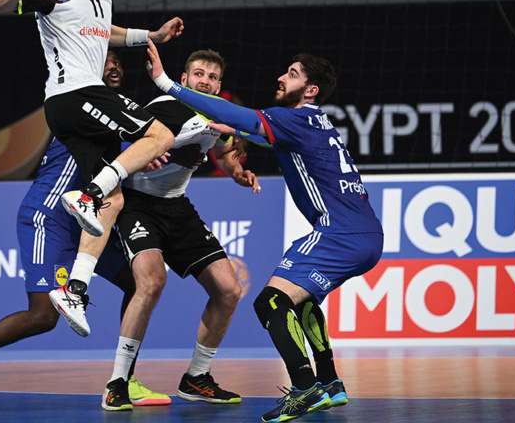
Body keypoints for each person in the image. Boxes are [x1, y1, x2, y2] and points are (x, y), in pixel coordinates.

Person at [145, 40, 384, 423]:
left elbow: (240, 114)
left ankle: (304, 387)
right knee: (303, 300)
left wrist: (168, 84)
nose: (281, 77)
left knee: (270, 302)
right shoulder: (315, 122)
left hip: (338, 233)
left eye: (292, 74)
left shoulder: (293, 118)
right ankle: (329, 382)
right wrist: (237, 130)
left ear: (310, 90)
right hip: (367, 236)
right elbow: (271, 137)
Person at [0, 0, 182, 336]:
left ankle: (75, 291)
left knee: (113, 200)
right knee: (161, 135)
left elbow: (103, 32)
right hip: (75, 93)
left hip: (76, 103)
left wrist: (153, 35)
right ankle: (87, 194)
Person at [0, 136, 171, 406]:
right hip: (50, 220)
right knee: (43, 316)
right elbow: (129, 150)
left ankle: (124, 380)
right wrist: (148, 151)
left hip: (88, 222)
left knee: (139, 283)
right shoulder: (82, 119)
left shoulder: (122, 124)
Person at [101, 50, 261, 411]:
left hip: (177, 207)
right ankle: (117, 382)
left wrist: (237, 172)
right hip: (137, 205)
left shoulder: (218, 115)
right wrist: (149, 153)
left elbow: (223, 151)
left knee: (229, 290)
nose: (205, 81)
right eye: (198, 74)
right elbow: (122, 139)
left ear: (218, 86)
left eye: (212, 77)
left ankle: (196, 378)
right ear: (184, 79)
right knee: (152, 282)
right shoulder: (165, 107)